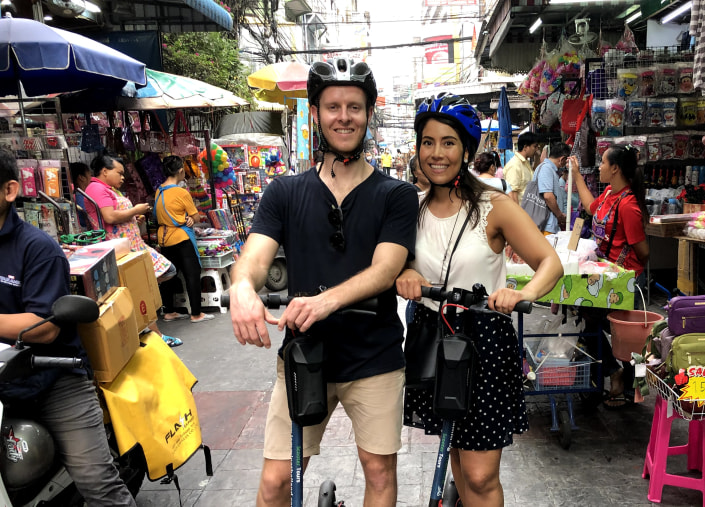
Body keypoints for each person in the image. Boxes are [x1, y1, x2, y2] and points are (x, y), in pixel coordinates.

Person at [228, 58, 418, 507]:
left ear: (369, 113)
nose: (344, 116)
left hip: (374, 357)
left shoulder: (396, 195)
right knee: (276, 481)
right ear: (315, 113)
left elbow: (385, 268)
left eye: (354, 106)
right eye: (333, 106)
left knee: (378, 471)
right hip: (303, 356)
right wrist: (241, 289)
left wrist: (324, 302)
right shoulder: (284, 192)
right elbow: (254, 257)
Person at [395, 93, 563, 507]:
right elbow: (387, 263)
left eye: (448, 142)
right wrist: (405, 272)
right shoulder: (408, 209)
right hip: (432, 336)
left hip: (484, 342)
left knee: (481, 473)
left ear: (467, 150)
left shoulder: (495, 206)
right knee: (454, 453)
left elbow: (550, 263)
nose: (437, 153)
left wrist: (522, 292)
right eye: (428, 142)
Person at [0, 148, 138, 506]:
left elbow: (43, 327)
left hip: (52, 379)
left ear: (10, 190)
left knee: (98, 481)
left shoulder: (38, 248)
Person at [569, 145, 650, 408]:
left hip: (624, 280)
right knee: (595, 325)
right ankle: (616, 376)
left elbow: (643, 251)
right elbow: (590, 207)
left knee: (624, 336)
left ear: (615, 168)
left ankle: (628, 388)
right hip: (605, 275)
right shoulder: (607, 195)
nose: (600, 167)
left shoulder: (628, 205)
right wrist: (577, 174)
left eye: (603, 163)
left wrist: (627, 269)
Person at [84, 154, 182, 347]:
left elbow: (114, 217)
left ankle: (147, 331)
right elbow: (110, 216)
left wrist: (132, 219)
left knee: (154, 280)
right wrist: (135, 210)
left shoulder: (109, 190)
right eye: (119, 173)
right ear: (104, 171)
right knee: (142, 288)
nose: (122, 177)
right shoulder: (96, 188)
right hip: (120, 250)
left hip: (131, 246)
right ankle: (155, 336)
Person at [154, 155, 214, 324]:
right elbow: (196, 216)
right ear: (181, 171)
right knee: (192, 275)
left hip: (164, 238)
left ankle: (169, 312)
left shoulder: (159, 190)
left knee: (168, 275)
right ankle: (196, 314)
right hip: (181, 238)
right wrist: (191, 219)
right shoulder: (181, 192)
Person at [533, 142, 572, 233]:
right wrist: (559, 215)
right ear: (562, 159)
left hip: (547, 224)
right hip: (545, 225)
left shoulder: (547, 169)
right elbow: (548, 196)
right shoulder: (546, 169)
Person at [503, 132, 539, 205]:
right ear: (526, 147)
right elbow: (512, 193)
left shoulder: (525, 163)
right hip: (521, 211)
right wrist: (519, 214)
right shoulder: (515, 165)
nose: (536, 149)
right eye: (535, 146)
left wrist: (537, 158)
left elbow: (534, 174)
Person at [70, 162, 92, 230]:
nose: (91, 178)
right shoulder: (80, 196)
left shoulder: (78, 195)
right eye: (89, 174)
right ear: (81, 177)